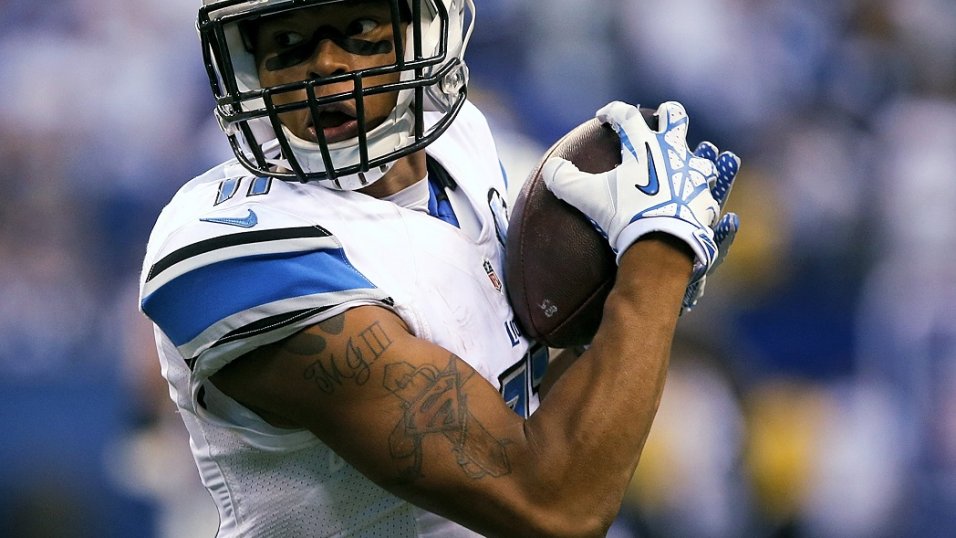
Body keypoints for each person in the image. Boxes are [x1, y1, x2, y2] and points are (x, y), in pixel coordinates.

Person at [138, 0, 741, 536]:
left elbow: (522, 404)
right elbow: (554, 506)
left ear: (423, 29)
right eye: (287, 43)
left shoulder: (466, 146)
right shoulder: (232, 251)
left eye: (359, 25)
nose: (323, 65)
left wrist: (616, 300)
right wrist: (654, 266)